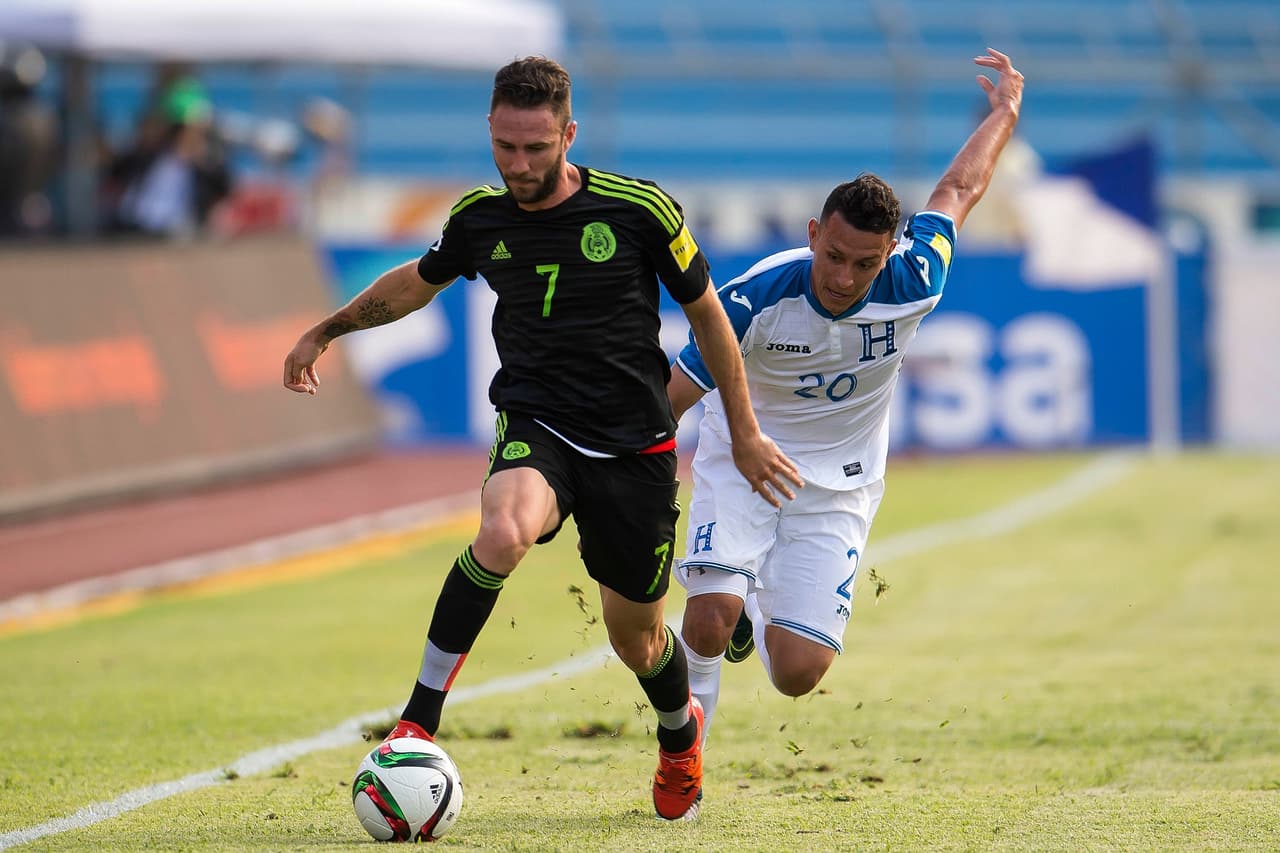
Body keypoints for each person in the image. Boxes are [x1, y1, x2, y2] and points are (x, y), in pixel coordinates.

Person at [282, 56, 799, 822]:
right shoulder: (479, 219)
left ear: (568, 133)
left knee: (638, 637)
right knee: (504, 529)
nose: (519, 165)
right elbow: (414, 284)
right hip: (538, 422)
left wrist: (746, 431)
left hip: (635, 447)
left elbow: (711, 318)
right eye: (506, 146)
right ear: (490, 130)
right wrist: (328, 328)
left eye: (536, 147)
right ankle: (420, 714)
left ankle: (678, 728)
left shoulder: (639, 209)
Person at [670, 49, 1024, 748]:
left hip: (838, 485)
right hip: (744, 459)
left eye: (865, 263)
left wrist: (1006, 113)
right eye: (833, 256)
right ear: (812, 236)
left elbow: (958, 189)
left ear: (890, 253)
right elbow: (672, 394)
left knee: (798, 673)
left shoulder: (916, 281)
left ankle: (755, 609)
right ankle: (683, 758)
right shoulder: (755, 298)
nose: (843, 276)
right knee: (707, 615)